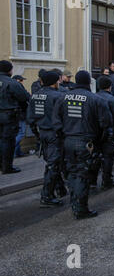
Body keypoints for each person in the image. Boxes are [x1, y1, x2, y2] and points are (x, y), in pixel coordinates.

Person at [53, 70, 113, 219]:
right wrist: (99, 141)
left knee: (72, 172)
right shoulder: (96, 99)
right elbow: (106, 123)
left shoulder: (62, 98)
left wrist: (63, 136)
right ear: (88, 82)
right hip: (86, 142)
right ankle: (80, 209)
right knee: (82, 175)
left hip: (68, 140)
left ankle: (75, 203)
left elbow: (56, 121)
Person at [27, 71, 67, 207]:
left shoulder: (35, 96)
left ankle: (59, 188)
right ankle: (46, 196)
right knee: (53, 164)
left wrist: (37, 134)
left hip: (42, 132)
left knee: (53, 162)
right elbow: (64, 117)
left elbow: (30, 118)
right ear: (55, 82)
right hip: (54, 134)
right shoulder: (58, 96)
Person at [89, 76, 114, 191]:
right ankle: (106, 180)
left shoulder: (92, 97)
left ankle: (92, 180)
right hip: (109, 132)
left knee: (95, 156)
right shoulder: (112, 99)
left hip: (94, 133)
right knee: (108, 157)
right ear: (109, 86)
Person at [0, 61, 30, 174]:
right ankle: (7, 167)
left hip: (6, 114)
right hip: (9, 116)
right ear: (10, 70)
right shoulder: (12, 83)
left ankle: (1, 165)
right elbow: (24, 97)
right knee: (8, 141)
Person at [12, 75, 30, 158]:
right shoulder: (17, 87)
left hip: (15, 114)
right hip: (20, 114)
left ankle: (18, 152)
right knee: (21, 133)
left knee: (17, 133)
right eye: (21, 80)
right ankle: (12, 151)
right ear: (17, 80)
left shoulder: (11, 87)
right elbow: (25, 98)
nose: (22, 81)